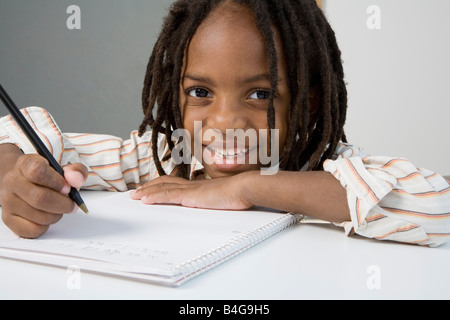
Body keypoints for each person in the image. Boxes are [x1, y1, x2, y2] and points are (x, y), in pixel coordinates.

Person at [0, 0, 449, 246]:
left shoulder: (328, 168)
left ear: (308, 106)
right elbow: (34, 143)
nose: (224, 122)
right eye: (200, 93)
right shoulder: (165, 159)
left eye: (261, 94)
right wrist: (11, 169)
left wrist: (245, 188)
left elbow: (437, 206)